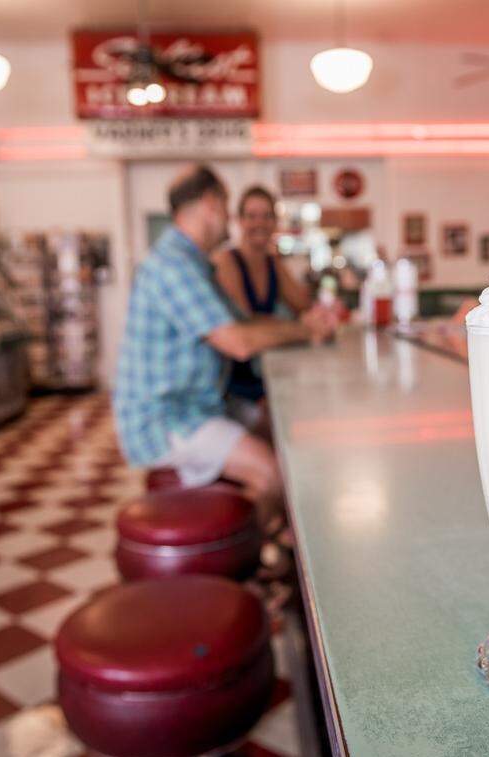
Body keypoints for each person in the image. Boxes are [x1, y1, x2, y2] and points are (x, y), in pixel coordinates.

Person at [113, 165, 332, 524]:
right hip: (167, 419)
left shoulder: (196, 265)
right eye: (228, 207)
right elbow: (238, 342)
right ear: (210, 203)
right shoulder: (172, 265)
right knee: (273, 471)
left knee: (276, 428)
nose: (230, 220)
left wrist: (303, 325)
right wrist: (306, 331)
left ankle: (280, 543)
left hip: (198, 404)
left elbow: (245, 323)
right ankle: (243, 557)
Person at [213, 185, 313, 405]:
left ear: (276, 222)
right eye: (251, 216)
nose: (260, 223)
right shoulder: (226, 261)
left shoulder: (272, 262)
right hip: (232, 386)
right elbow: (245, 323)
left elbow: (303, 305)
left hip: (266, 376)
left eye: (267, 216)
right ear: (239, 221)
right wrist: (301, 329)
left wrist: (314, 316)